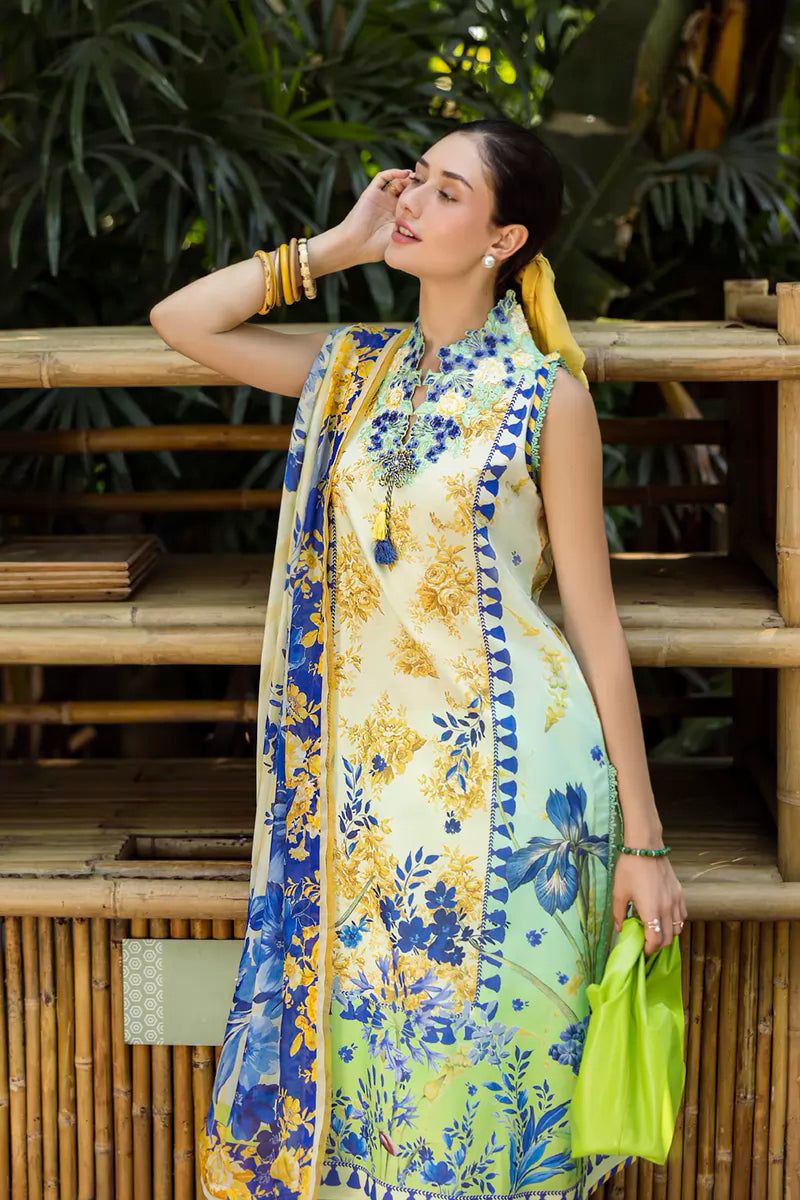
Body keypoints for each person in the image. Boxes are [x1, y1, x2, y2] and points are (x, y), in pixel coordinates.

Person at [150, 116, 687, 1200]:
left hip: (517, 793)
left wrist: (644, 838)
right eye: (415, 179)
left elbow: (593, 624)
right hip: (364, 798)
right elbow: (181, 319)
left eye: (448, 192)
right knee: (372, 1103)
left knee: (479, 1097)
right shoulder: (352, 371)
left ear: (503, 239)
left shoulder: (547, 398)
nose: (412, 200)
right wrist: (336, 248)